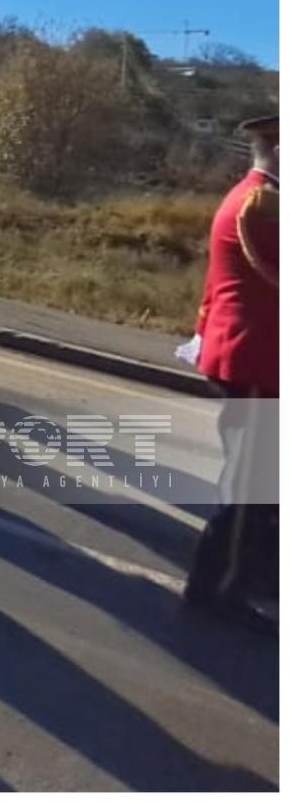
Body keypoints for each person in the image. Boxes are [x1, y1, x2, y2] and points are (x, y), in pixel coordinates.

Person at [182, 113, 278, 633]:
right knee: (251, 488)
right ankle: (217, 590)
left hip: (256, 353)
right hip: (257, 356)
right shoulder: (262, 205)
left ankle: (256, 572)